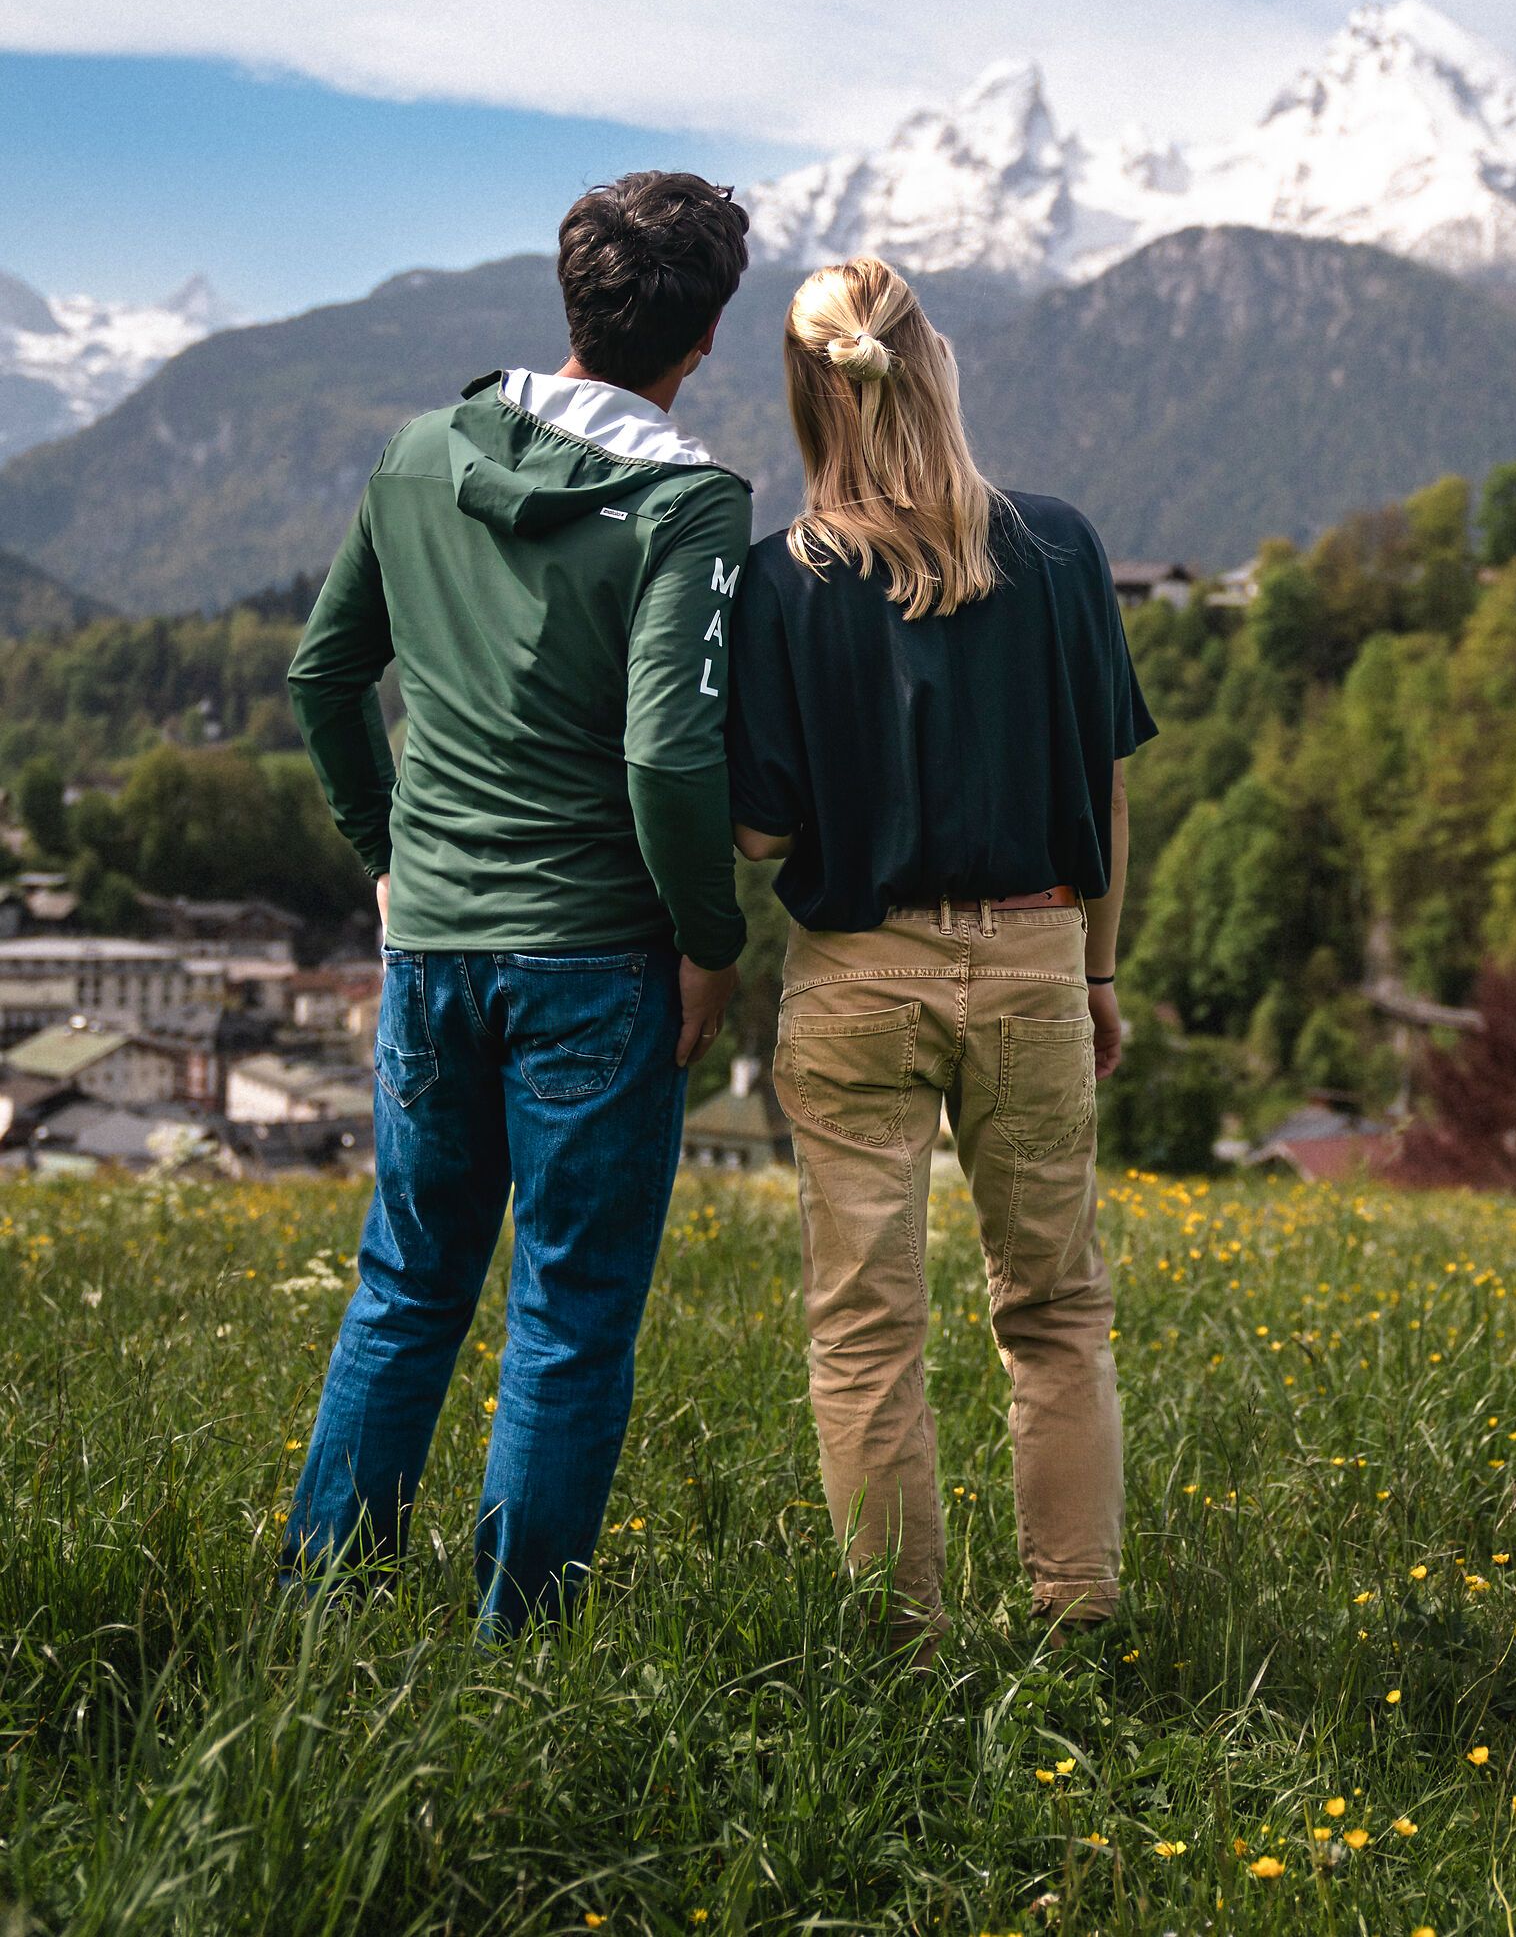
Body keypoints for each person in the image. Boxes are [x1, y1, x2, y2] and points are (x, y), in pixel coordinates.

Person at [281, 170, 752, 1635]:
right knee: (568, 1317)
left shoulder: (418, 455)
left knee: (407, 1283)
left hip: (429, 949)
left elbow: (323, 673)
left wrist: (385, 849)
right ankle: (519, 1646)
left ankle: (321, 1610)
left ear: (572, 304)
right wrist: (710, 939)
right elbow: (672, 751)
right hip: (597, 964)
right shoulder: (692, 501)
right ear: (702, 340)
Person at [727, 253, 1155, 1639]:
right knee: (1055, 1310)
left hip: (857, 976)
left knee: (866, 1328)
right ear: (936, 363)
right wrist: (1094, 971)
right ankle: (1075, 1615)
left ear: (809, 393)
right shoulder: (1064, 549)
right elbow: (1105, 787)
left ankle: (899, 1639)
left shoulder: (776, 584)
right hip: (1036, 957)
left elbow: (758, 838)